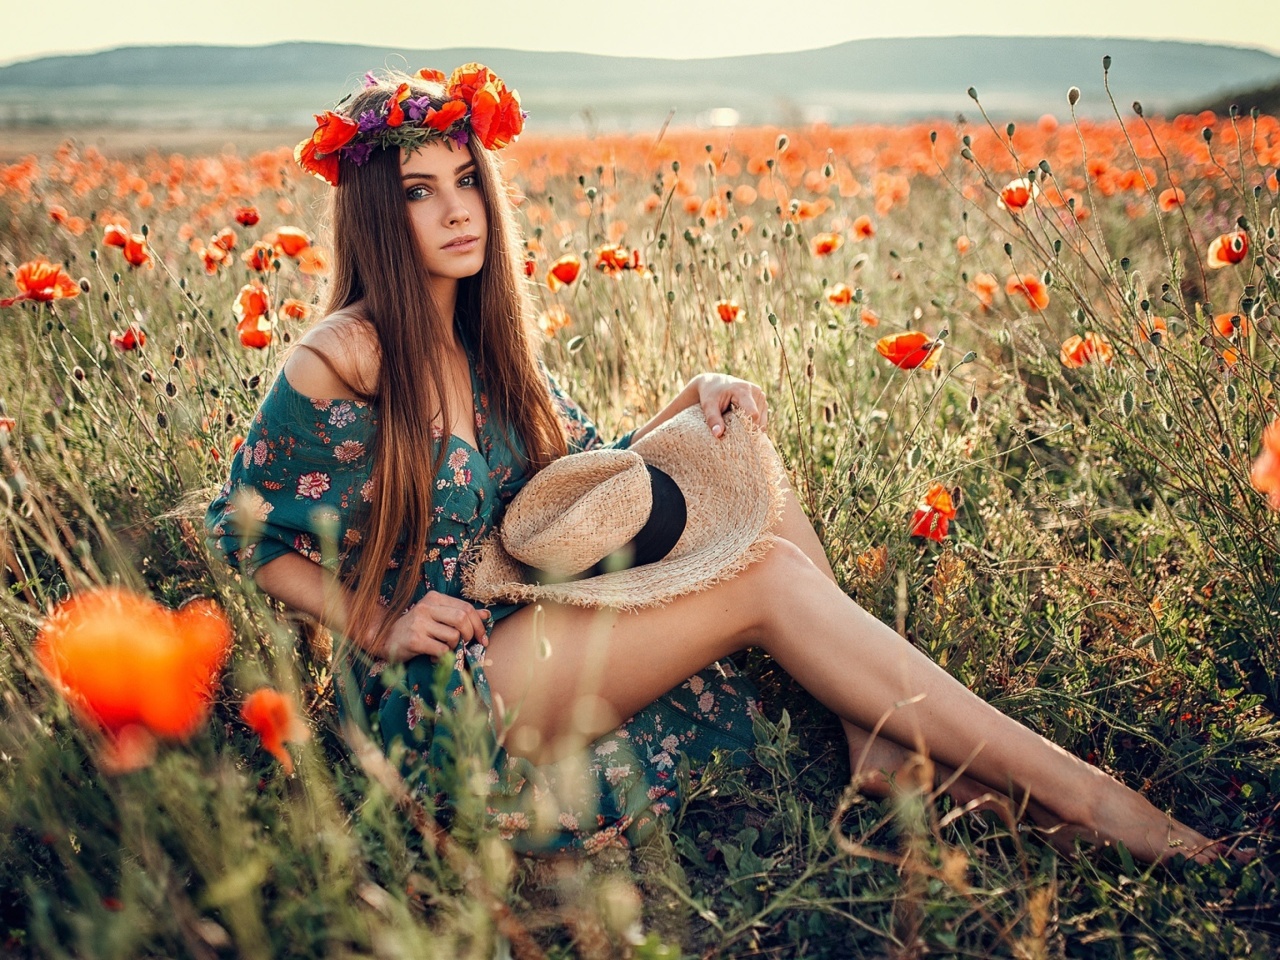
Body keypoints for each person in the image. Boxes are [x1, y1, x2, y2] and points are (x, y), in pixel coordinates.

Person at [207, 66, 1235, 863]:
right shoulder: (348, 351)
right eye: (420, 193)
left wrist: (691, 398)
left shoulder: (487, 346)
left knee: (728, 439)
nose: (455, 210)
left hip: (537, 630)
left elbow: (583, 488)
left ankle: (879, 746)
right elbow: (235, 526)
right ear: (380, 214)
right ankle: (1090, 803)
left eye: (466, 181)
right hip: (448, 695)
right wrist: (377, 624)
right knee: (760, 572)